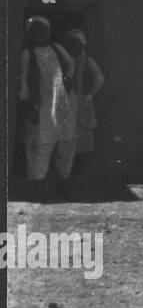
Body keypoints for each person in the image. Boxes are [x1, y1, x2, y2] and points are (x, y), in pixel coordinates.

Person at [17, 16, 77, 200]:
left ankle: (62, 185)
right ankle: (36, 187)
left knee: (66, 140)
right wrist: (27, 102)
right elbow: (23, 78)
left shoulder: (57, 48)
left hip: (61, 103)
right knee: (39, 143)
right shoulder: (28, 53)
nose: (40, 34)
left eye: (43, 30)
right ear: (29, 32)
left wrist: (67, 77)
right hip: (41, 104)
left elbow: (70, 63)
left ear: (48, 32)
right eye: (35, 30)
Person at [61, 28, 105, 175]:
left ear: (82, 44)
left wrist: (90, 94)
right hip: (66, 103)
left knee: (82, 140)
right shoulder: (65, 58)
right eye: (71, 43)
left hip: (82, 104)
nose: (74, 46)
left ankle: (79, 172)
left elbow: (99, 78)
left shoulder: (88, 60)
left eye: (77, 43)